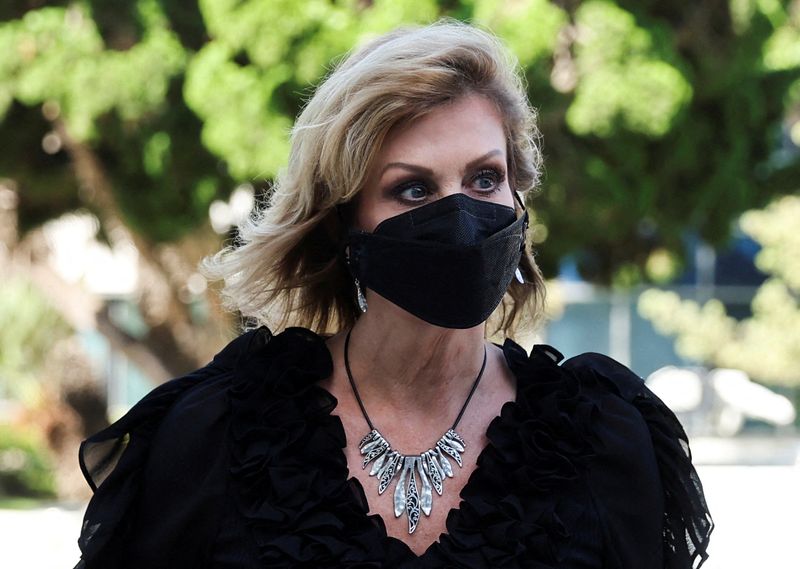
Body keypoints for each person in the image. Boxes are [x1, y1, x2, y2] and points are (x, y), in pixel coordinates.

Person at [74, 20, 713, 569]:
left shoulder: (599, 439)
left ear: (519, 200)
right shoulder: (219, 435)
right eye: (413, 189)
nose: (460, 216)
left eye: (485, 179)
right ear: (343, 222)